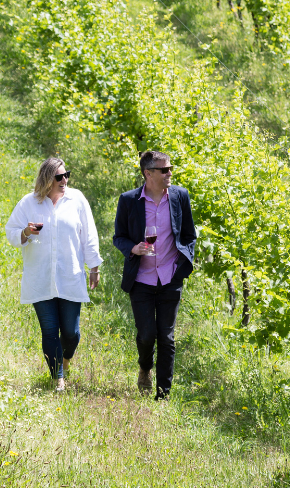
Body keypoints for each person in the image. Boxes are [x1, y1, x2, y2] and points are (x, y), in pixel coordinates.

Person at [5, 157, 101, 392]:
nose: (64, 180)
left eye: (66, 174)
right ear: (46, 179)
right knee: (49, 330)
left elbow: (88, 234)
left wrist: (94, 266)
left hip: (70, 275)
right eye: (59, 176)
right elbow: (11, 233)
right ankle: (58, 378)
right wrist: (26, 232)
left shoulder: (77, 199)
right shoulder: (29, 202)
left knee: (71, 332)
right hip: (40, 277)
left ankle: (66, 361)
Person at [113, 150, 197, 399]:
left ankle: (163, 394)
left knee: (167, 338)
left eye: (171, 169)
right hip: (142, 279)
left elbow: (189, 234)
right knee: (147, 334)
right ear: (148, 173)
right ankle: (145, 368)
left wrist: (184, 264)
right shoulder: (129, 200)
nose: (170, 173)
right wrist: (134, 248)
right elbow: (119, 237)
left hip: (171, 277)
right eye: (165, 170)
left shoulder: (180, 196)